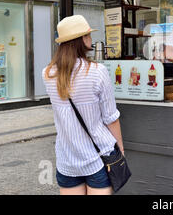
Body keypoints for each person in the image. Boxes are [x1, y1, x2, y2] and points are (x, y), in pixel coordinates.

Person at [42, 15, 124, 195]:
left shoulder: (47, 73)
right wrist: (121, 150)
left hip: (67, 159)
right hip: (98, 158)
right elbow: (111, 118)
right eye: (88, 35)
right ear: (82, 40)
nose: (91, 39)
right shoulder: (97, 71)